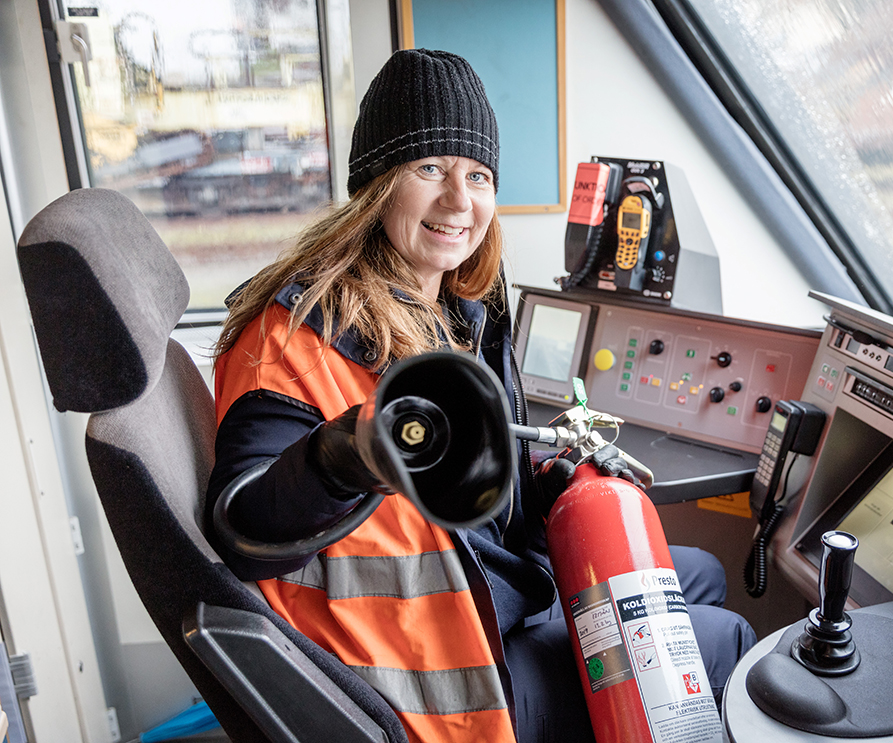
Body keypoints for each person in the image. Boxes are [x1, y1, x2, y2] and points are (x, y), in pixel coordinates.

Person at [204, 48, 755, 743]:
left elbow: (480, 487)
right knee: (724, 637)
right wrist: (351, 452)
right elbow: (244, 527)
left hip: (487, 590)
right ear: (376, 184)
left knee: (697, 574)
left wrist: (554, 477)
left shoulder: (456, 310)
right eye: (429, 168)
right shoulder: (297, 333)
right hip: (432, 666)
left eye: (478, 175)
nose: (458, 201)